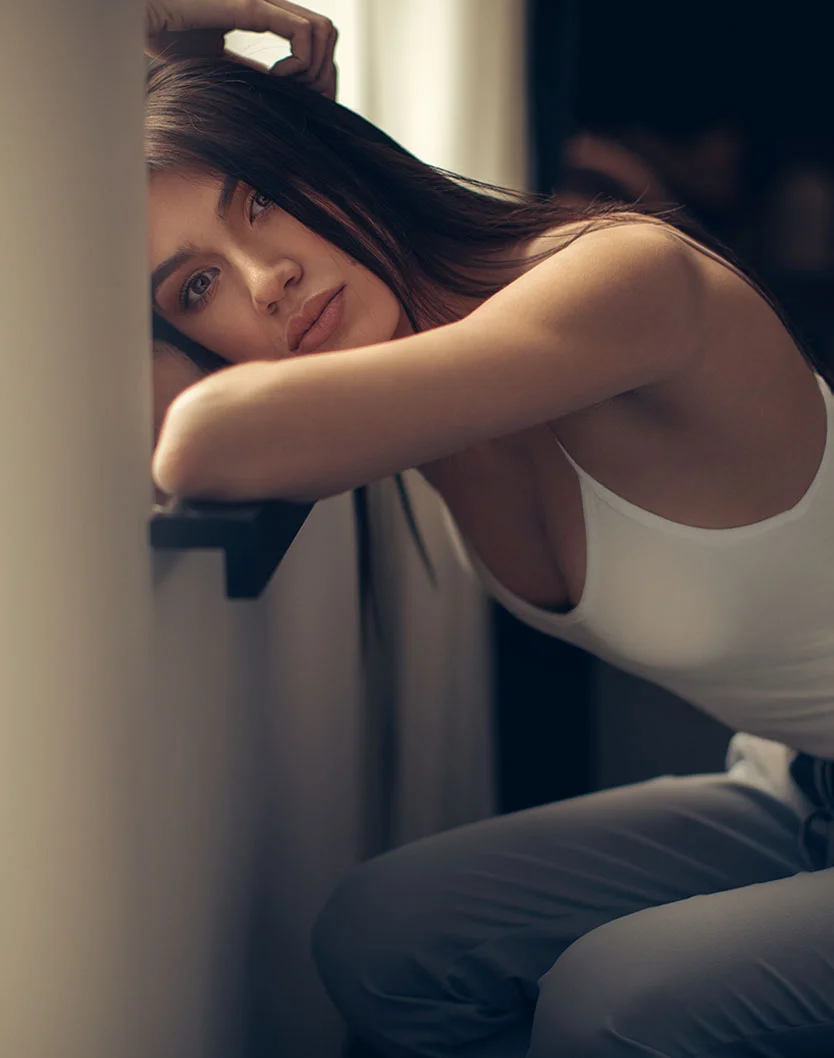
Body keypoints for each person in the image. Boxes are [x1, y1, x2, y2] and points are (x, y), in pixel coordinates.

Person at [145, 4, 834, 1057]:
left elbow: (197, 435)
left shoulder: (619, 280)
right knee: (379, 937)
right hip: (797, 776)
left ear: (329, 157)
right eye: (197, 285)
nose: (266, 274)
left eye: (267, 201)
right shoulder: (412, 383)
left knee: (611, 1000)